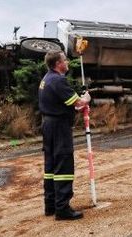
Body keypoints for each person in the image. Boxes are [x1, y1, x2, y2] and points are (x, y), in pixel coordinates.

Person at [39, 51, 91, 220]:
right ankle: (62, 209)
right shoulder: (59, 80)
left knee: (51, 165)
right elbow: (78, 103)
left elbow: (65, 103)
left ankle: (51, 206)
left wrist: (76, 105)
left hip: (48, 125)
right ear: (58, 63)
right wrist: (86, 99)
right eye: (65, 60)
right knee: (63, 164)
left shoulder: (46, 79)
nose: (67, 62)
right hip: (59, 127)